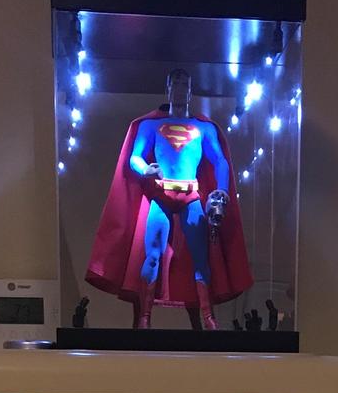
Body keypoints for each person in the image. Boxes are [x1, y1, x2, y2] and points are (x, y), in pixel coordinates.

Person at [86, 66, 252, 331]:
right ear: (168, 89)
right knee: (152, 255)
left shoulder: (204, 128)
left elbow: (219, 160)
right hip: (162, 194)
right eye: (175, 83)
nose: (180, 88)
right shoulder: (149, 125)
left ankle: (208, 318)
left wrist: (221, 190)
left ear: (190, 90)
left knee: (200, 258)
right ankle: (144, 318)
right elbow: (135, 157)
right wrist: (145, 169)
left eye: (185, 84)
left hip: (190, 194)